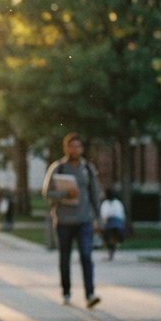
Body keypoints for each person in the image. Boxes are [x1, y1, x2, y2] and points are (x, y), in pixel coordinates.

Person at [42, 132, 102, 309]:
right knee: (65, 258)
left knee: (86, 255)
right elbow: (46, 193)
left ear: (82, 149)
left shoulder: (88, 169)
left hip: (84, 220)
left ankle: (90, 294)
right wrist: (64, 194)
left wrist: (98, 218)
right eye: (72, 146)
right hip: (64, 221)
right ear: (66, 148)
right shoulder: (57, 168)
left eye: (78, 146)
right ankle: (66, 292)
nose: (75, 149)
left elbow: (94, 194)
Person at [99, 187, 125, 261]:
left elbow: (104, 217)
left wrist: (103, 226)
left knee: (106, 235)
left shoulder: (105, 204)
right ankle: (113, 249)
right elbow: (122, 215)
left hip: (110, 224)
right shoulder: (118, 203)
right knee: (112, 237)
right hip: (118, 223)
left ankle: (110, 252)